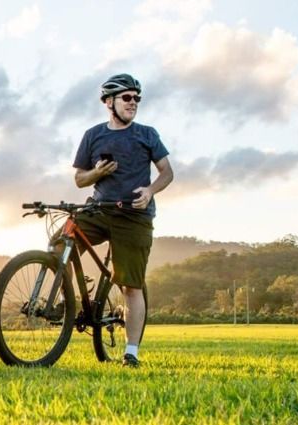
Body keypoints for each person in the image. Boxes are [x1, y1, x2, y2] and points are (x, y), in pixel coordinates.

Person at [70, 73, 173, 367]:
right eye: (127, 97)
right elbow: (79, 179)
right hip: (99, 210)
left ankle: (131, 353)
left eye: (137, 99)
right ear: (109, 102)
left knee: (131, 286)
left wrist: (151, 190)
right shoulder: (93, 135)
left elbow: (167, 172)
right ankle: (69, 292)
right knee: (60, 242)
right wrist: (97, 174)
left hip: (134, 216)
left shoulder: (147, 134)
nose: (134, 103)